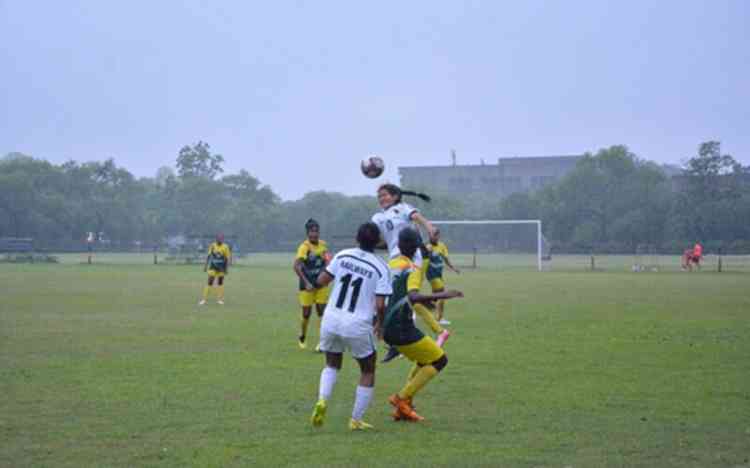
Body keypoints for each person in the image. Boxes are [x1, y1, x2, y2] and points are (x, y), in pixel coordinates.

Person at [310, 222, 392, 431]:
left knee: (331, 364)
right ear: (377, 242)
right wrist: (381, 325)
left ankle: (322, 400)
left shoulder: (342, 255)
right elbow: (381, 305)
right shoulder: (381, 267)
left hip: (331, 319)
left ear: (356, 238)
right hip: (357, 323)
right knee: (368, 369)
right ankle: (355, 419)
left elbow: (320, 280)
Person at [384, 228, 463, 422]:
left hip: (389, 325)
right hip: (401, 326)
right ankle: (401, 399)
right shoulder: (412, 268)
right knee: (439, 360)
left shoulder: (390, 264)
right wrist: (442, 295)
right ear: (413, 247)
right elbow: (413, 296)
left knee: (424, 358)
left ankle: (403, 409)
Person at [371, 184, 439, 363]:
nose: (381, 198)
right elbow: (384, 242)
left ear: (395, 196)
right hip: (394, 259)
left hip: (410, 256)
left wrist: (430, 228)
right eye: (379, 196)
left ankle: (401, 336)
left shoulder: (402, 208)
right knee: (390, 297)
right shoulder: (378, 217)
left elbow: (417, 217)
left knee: (399, 297)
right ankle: (394, 337)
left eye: (384, 195)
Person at [293, 219, 332, 350]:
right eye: (312, 232)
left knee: (322, 311)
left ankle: (322, 342)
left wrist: (327, 272)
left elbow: (328, 260)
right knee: (306, 314)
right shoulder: (304, 247)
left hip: (321, 284)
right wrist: (306, 282)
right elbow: (297, 266)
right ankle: (302, 335)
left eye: (316, 231)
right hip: (307, 285)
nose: (315, 234)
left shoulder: (323, 245)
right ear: (307, 233)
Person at [423, 228, 460, 325]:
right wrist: (428, 252)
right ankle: (439, 319)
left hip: (439, 274)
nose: (433, 236)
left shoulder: (442, 246)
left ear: (438, 236)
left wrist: (453, 268)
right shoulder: (427, 247)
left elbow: (446, 259)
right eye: (431, 234)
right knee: (442, 293)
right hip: (431, 275)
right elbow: (424, 260)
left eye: (435, 235)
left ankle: (424, 304)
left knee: (436, 297)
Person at [199, 234, 231, 305]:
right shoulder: (213, 245)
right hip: (213, 267)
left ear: (223, 239)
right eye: (218, 238)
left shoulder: (225, 247)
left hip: (222, 267)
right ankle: (204, 300)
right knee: (210, 281)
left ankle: (219, 300)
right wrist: (205, 266)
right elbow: (209, 256)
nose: (220, 239)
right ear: (216, 239)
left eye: (221, 238)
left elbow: (228, 258)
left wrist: (227, 268)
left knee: (220, 282)